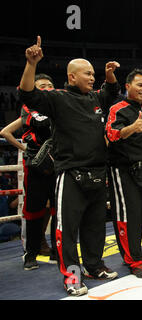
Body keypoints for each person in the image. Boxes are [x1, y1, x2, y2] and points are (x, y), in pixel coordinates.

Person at [18, 36, 120, 296]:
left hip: (98, 172)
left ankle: (94, 267)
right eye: (87, 73)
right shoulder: (58, 98)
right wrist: (31, 63)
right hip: (71, 173)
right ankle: (71, 276)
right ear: (72, 77)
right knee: (67, 228)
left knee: (96, 226)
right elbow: (27, 93)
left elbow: (111, 93)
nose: (92, 77)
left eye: (93, 73)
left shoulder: (95, 99)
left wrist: (109, 74)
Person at [106, 69, 142, 278]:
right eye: (140, 85)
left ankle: (136, 252)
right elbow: (111, 135)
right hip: (123, 170)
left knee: (139, 215)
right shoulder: (117, 108)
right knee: (126, 216)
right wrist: (131, 128)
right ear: (128, 86)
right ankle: (133, 261)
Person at [0, 73, 58, 270]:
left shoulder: (60, 107)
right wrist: (25, 148)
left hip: (58, 161)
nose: (47, 87)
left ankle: (57, 252)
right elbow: (5, 132)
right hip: (36, 164)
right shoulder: (28, 108)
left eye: (50, 85)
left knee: (59, 209)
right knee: (33, 210)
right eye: (42, 85)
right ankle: (30, 253)